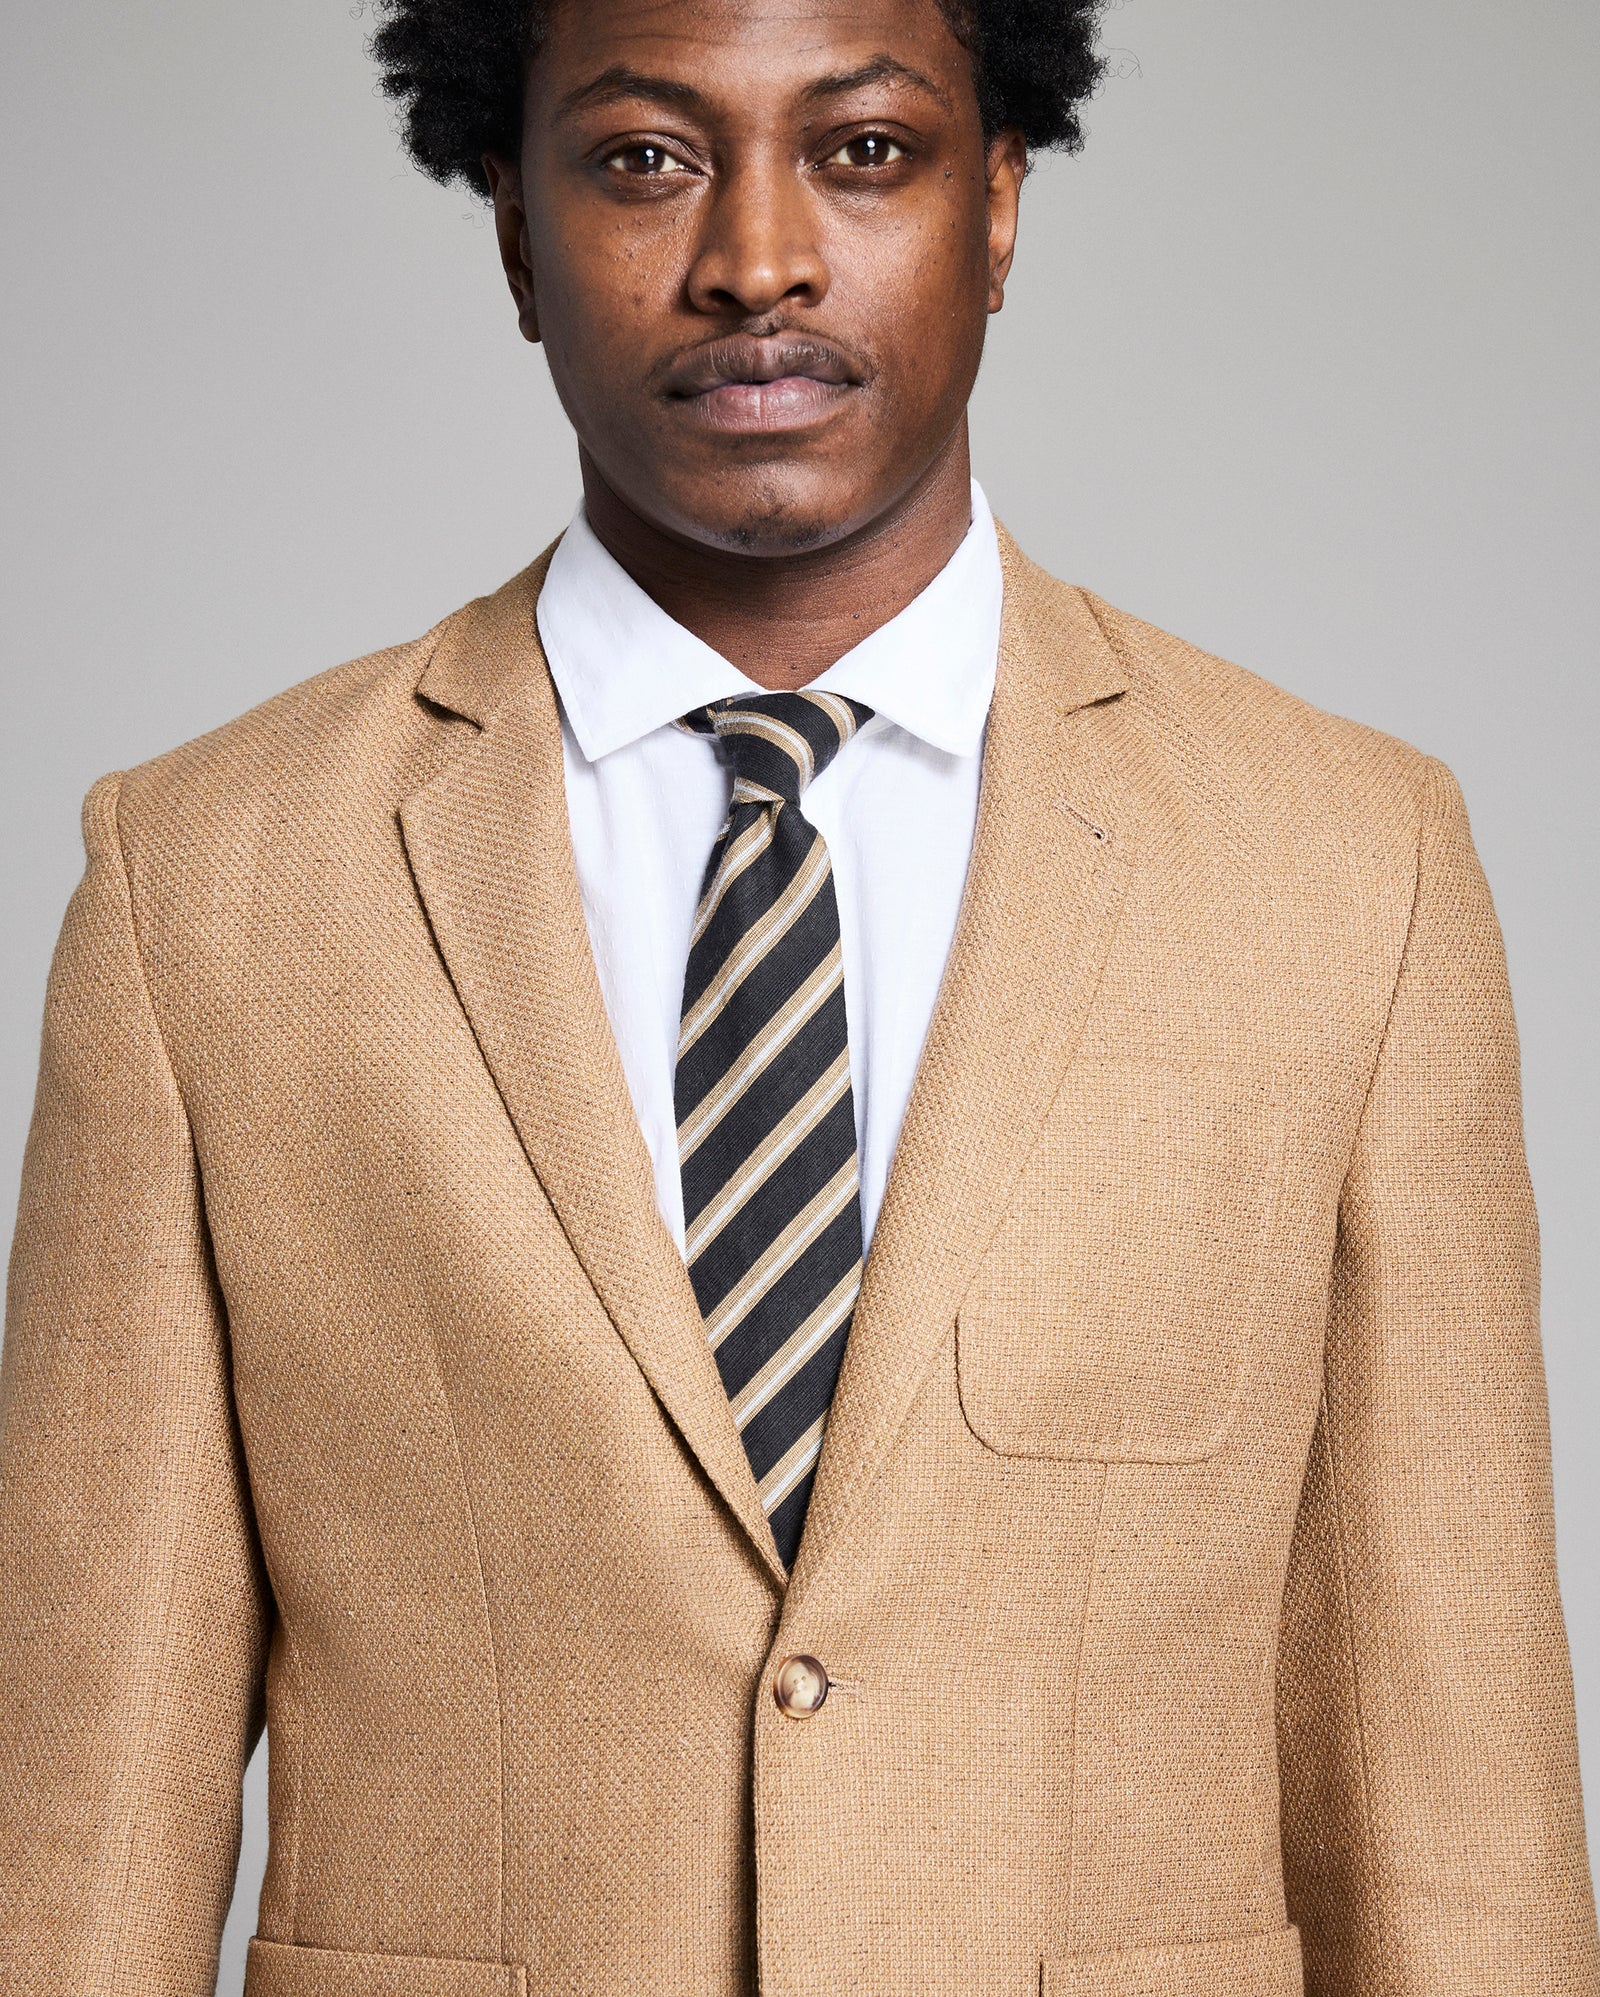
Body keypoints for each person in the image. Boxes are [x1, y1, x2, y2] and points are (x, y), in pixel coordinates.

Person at [0, 0, 1594, 1991]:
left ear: (996, 205)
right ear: (510, 230)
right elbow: (78, 1819)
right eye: (643, 160)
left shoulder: (1346, 862)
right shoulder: (206, 881)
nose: (754, 259)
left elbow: (1452, 1797)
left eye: (862, 152)